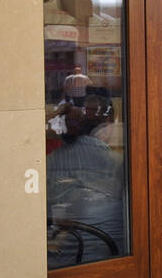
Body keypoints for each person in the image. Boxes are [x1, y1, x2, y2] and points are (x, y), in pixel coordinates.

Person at [46, 105, 126, 264]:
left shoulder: (95, 150)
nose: (68, 125)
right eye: (66, 121)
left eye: (72, 121)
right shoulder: (59, 156)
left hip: (90, 249)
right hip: (110, 249)